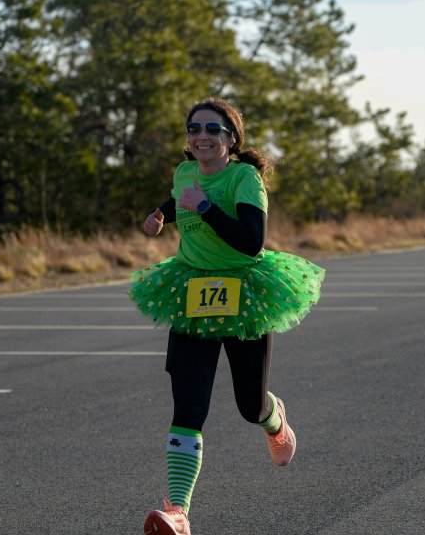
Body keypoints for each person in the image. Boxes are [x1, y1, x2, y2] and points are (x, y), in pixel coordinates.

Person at [128, 97, 325, 535]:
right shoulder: (184, 174)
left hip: (244, 293)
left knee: (248, 404)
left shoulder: (244, 178)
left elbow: (250, 241)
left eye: (212, 130)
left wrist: (203, 208)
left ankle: (274, 420)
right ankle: (178, 511)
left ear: (231, 138)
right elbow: (182, 189)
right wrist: (162, 212)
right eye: (194, 129)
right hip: (192, 293)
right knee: (188, 405)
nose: (201, 136)